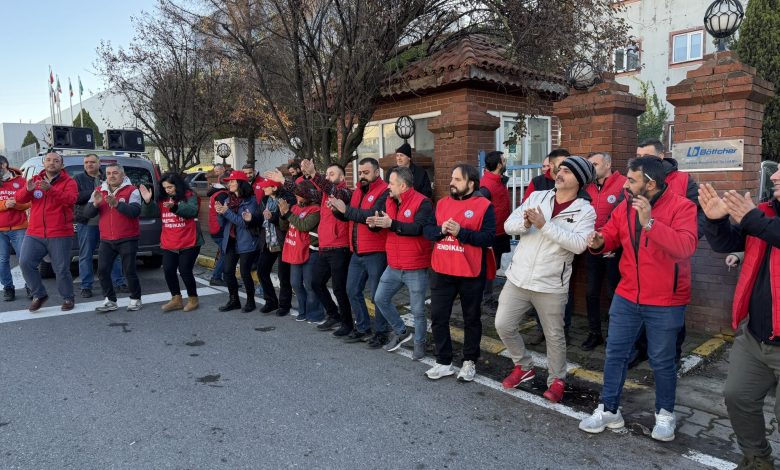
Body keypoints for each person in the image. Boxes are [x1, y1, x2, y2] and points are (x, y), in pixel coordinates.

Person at [578, 157, 697, 442]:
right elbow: (611, 233)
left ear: (651, 184)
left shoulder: (682, 206)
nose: (626, 185)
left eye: (632, 180)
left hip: (666, 299)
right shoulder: (625, 205)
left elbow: (685, 247)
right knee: (615, 353)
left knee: (662, 361)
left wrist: (650, 223)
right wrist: (600, 241)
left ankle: (665, 414)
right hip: (627, 294)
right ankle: (609, 409)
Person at [495, 156, 596, 403]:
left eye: (567, 171)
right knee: (503, 325)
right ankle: (523, 366)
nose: (559, 173)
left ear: (579, 180)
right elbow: (508, 225)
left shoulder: (585, 210)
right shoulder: (538, 196)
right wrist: (524, 223)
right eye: (559, 169)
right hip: (518, 278)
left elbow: (578, 245)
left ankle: (557, 379)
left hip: (551, 284)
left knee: (554, 336)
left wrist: (544, 225)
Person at [699, 177, 780, 469]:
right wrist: (715, 220)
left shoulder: (759, 217)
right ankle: (757, 460)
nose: (774, 177)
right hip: (755, 336)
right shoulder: (764, 212)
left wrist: (752, 219)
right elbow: (726, 242)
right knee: (738, 397)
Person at [631, 139, 702, 368]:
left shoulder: (683, 180)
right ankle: (640, 350)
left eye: (645, 156)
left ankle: (673, 357)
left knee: (672, 316)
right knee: (639, 309)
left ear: (661, 157)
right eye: (638, 155)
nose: (640, 159)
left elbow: (698, 215)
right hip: (640, 258)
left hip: (671, 261)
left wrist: (687, 239)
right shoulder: (634, 179)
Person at [422, 164, 495, 382]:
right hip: (442, 269)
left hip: (470, 272)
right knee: (438, 317)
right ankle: (443, 361)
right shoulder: (442, 203)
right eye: (452, 178)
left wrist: (462, 232)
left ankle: (469, 361)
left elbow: (488, 238)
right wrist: (441, 230)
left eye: (457, 179)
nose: (452, 183)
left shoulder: (484, 205)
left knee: (471, 318)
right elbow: (427, 231)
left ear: (471, 183)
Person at [371, 166, 434, 360]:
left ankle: (420, 343)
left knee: (418, 310)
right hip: (393, 264)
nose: (388, 186)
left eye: (391, 183)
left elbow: (418, 228)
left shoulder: (423, 202)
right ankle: (401, 331)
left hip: (415, 265)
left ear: (403, 186)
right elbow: (385, 225)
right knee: (379, 298)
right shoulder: (389, 200)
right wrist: (374, 225)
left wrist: (392, 224)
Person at [328, 158, 391, 348]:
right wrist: (337, 211)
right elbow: (350, 216)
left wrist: (345, 210)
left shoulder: (384, 191)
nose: (362, 175)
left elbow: (371, 216)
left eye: (366, 172)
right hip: (357, 251)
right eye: (360, 172)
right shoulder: (357, 191)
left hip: (376, 252)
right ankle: (363, 328)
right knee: (352, 290)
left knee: (377, 296)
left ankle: (381, 332)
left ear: (377, 172)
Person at [296, 160, 353, 335]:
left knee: (339, 288)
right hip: (325, 246)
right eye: (326, 174)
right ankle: (334, 315)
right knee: (316, 283)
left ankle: (347, 323)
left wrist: (315, 174)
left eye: (332, 174)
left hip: (340, 247)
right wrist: (283, 182)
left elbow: (332, 190)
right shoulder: (323, 195)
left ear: (342, 178)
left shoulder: (345, 193)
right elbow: (304, 192)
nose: (328, 177)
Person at [16, 151, 79, 312]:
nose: (52, 163)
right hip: (35, 232)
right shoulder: (35, 179)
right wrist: (27, 190)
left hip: (59, 232)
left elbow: (71, 200)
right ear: (43, 163)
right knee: (25, 263)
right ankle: (39, 294)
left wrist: (51, 189)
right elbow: (19, 199)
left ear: (61, 165)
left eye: (56, 161)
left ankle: (68, 297)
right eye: (49, 160)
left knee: (61, 269)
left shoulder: (69, 182)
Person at [82, 164, 144, 312]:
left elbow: (135, 211)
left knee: (129, 271)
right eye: (109, 173)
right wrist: (95, 204)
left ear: (123, 175)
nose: (111, 176)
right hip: (106, 239)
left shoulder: (132, 190)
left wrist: (116, 204)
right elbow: (87, 213)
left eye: (115, 173)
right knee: (102, 271)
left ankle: (135, 299)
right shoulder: (99, 190)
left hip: (128, 237)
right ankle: (110, 300)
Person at [581, 152, 626, 350]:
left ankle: (614, 335)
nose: (591, 168)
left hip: (615, 248)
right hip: (592, 247)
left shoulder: (623, 183)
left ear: (608, 164)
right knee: (591, 291)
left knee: (614, 292)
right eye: (589, 165)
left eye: (595, 164)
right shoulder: (586, 187)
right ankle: (594, 333)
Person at [140, 172, 203, 312]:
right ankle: (176, 299)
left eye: (170, 187)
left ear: (177, 185)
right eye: (165, 188)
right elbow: (150, 213)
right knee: (168, 270)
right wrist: (148, 202)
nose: (167, 190)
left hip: (189, 240)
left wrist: (174, 207)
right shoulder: (162, 198)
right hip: (169, 241)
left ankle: (193, 299)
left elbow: (192, 211)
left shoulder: (189, 195)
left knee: (185, 270)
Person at [73, 154, 126, 298]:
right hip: (88, 222)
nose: (89, 164)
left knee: (114, 254)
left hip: (108, 221)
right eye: (86, 162)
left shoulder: (107, 175)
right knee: (86, 255)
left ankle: (119, 282)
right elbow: (75, 197)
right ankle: (86, 286)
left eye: (92, 162)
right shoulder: (78, 178)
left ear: (99, 163)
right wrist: (96, 191)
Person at [214, 170, 260, 312]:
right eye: (229, 182)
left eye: (232, 181)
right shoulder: (228, 200)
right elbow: (222, 223)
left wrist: (226, 212)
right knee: (228, 272)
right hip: (231, 240)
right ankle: (234, 300)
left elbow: (244, 223)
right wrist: (219, 213)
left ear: (241, 183)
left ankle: (251, 302)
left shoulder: (251, 201)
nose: (229, 184)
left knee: (245, 273)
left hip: (247, 241)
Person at [279, 180, 324, 323]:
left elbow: (304, 226)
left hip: (310, 251)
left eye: (299, 195)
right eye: (296, 194)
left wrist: (288, 213)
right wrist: (283, 214)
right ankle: (303, 311)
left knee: (309, 285)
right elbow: (284, 226)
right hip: (295, 250)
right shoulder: (294, 207)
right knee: (295, 283)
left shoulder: (316, 210)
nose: (296, 197)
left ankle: (316, 314)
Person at [253, 177, 294, 315]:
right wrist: (250, 219)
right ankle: (271, 301)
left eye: (266, 186)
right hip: (268, 241)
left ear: (275, 188)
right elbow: (260, 216)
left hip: (283, 241)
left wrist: (272, 217)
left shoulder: (286, 198)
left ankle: (285, 305)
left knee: (283, 275)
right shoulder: (265, 200)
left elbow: (286, 218)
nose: (263, 188)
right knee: (261, 270)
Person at [479, 151, 511, 304]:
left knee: (495, 265)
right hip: (492, 234)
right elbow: (480, 211)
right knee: (488, 267)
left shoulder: (499, 181)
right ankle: (485, 299)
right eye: (504, 160)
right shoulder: (486, 186)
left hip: (501, 231)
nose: (505, 162)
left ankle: (486, 296)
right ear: (499, 165)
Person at [0, 155, 30, 301]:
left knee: (24, 259)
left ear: (5, 164)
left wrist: (16, 205)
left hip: (19, 228)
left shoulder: (21, 181)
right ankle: (8, 288)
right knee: (2, 260)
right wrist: (4, 204)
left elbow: (30, 202)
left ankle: (31, 286)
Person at [206, 170, 229, 287]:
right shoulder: (222, 194)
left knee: (224, 253)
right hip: (220, 229)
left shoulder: (216, 193)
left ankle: (224, 277)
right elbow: (223, 214)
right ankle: (216, 277)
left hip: (215, 228)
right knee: (225, 254)